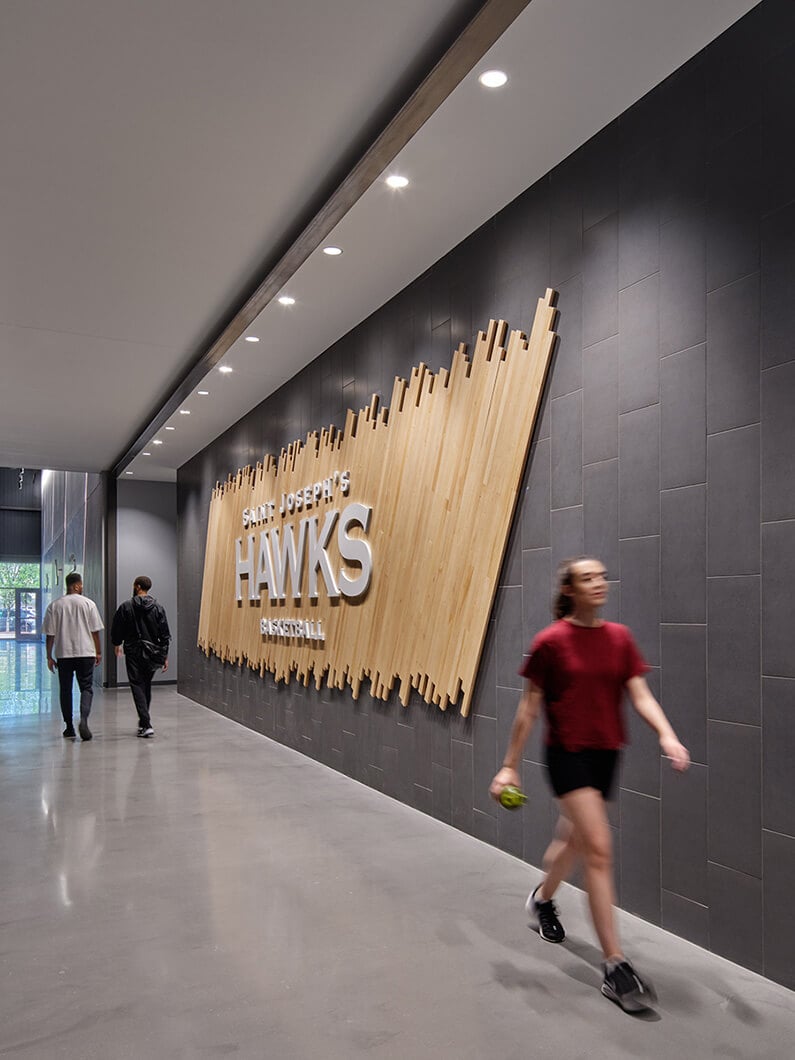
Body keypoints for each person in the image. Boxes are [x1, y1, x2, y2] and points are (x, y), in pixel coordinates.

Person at [490, 556, 690, 1013]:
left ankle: (542, 900)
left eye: (603, 575)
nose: (599, 582)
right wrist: (509, 766)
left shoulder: (619, 639)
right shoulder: (550, 642)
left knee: (576, 841)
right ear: (570, 591)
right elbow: (528, 710)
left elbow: (639, 694)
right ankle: (615, 968)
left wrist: (666, 733)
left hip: (606, 755)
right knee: (599, 848)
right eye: (587, 578)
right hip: (567, 756)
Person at [42, 571, 104, 741]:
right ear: (76, 585)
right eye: (81, 584)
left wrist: (49, 656)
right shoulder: (88, 604)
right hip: (86, 653)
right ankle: (83, 719)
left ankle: (69, 727)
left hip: (64, 654)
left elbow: (50, 634)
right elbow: (95, 631)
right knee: (86, 688)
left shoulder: (55, 606)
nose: (82, 587)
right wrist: (98, 652)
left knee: (65, 690)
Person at [111, 576, 171, 738]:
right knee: (146, 685)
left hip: (133, 651)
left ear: (137, 586)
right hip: (152, 653)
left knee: (137, 685)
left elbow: (117, 628)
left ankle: (146, 723)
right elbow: (165, 634)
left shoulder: (126, 607)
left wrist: (117, 644)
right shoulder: (158, 608)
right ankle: (143, 723)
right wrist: (164, 655)